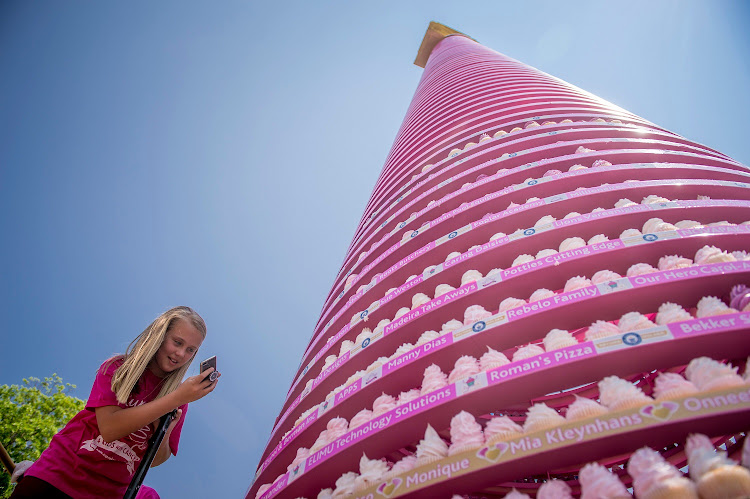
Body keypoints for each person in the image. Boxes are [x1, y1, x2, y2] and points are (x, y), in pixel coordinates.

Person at [9, 306, 220, 498]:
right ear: (160, 336)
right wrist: (174, 399)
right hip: (58, 476)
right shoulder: (119, 368)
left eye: (191, 350)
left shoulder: (180, 398)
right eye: (177, 342)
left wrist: (164, 431)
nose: (181, 354)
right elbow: (109, 428)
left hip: (108, 492)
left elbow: (155, 460)